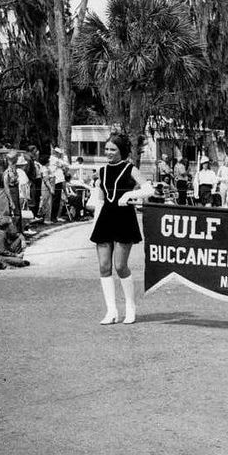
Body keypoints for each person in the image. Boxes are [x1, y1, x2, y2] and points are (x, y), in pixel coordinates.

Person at [88, 133, 154, 325]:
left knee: (120, 266)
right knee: (104, 266)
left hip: (124, 218)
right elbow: (99, 201)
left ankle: (130, 308)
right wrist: (94, 226)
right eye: (106, 149)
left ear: (121, 151)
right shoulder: (101, 171)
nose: (108, 153)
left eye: (113, 149)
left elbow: (149, 189)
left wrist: (130, 196)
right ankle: (111, 311)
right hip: (105, 219)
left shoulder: (130, 168)